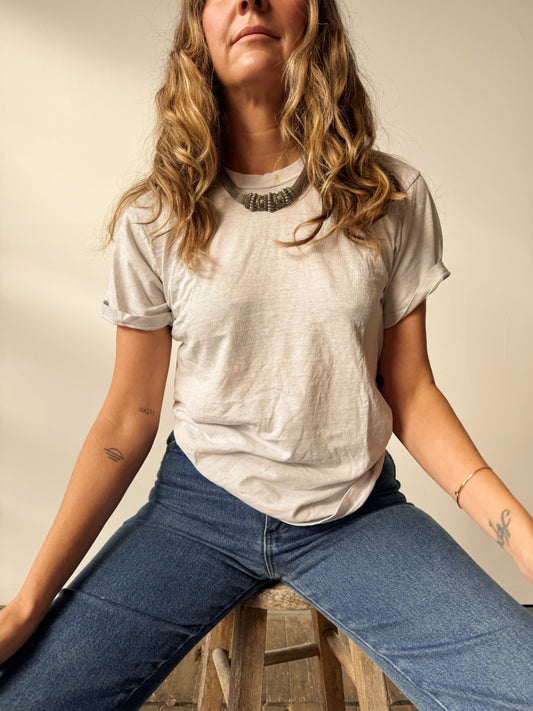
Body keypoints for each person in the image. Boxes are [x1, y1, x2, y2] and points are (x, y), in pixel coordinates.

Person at [1, 0, 532, 709]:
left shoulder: (390, 197)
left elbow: (409, 392)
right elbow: (129, 414)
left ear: (314, 16)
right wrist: (26, 603)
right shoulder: (155, 217)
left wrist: (522, 540)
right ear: (198, 29)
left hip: (355, 511)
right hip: (197, 509)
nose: (248, 0)